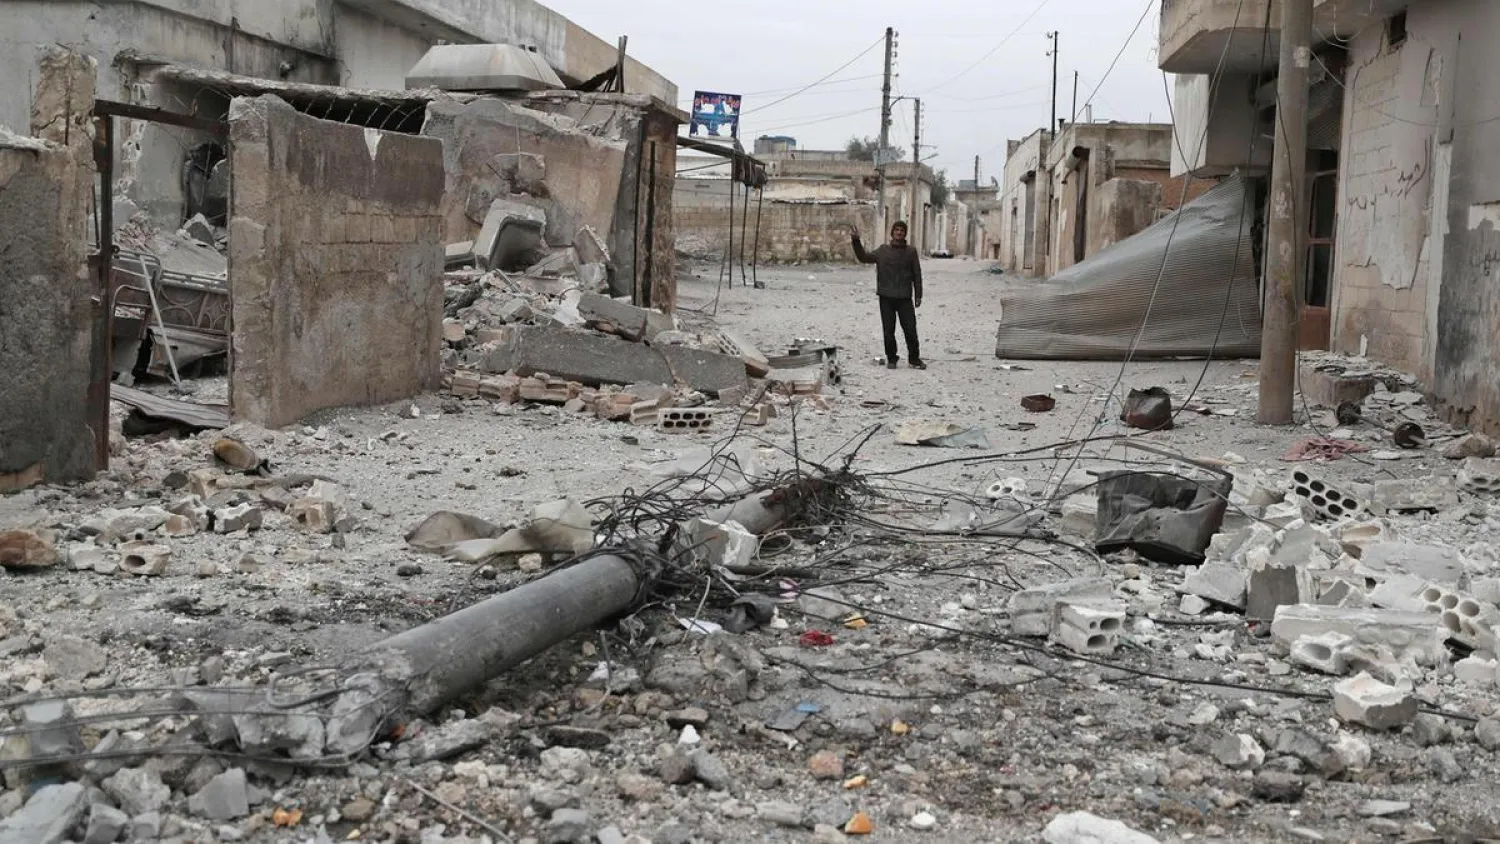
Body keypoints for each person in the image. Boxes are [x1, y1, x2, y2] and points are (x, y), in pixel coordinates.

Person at [851, 221, 925, 370]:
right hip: (886, 297)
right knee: (888, 331)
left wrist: (918, 295)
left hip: (904, 298)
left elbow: (917, 274)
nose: (899, 233)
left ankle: (914, 359)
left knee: (910, 329)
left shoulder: (911, 252)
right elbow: (863, 257)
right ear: (892, 233)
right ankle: (892, 358)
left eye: (902, 230)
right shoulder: (882, 251)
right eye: (896, 230)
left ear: (905, 233)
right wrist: (856, 241)